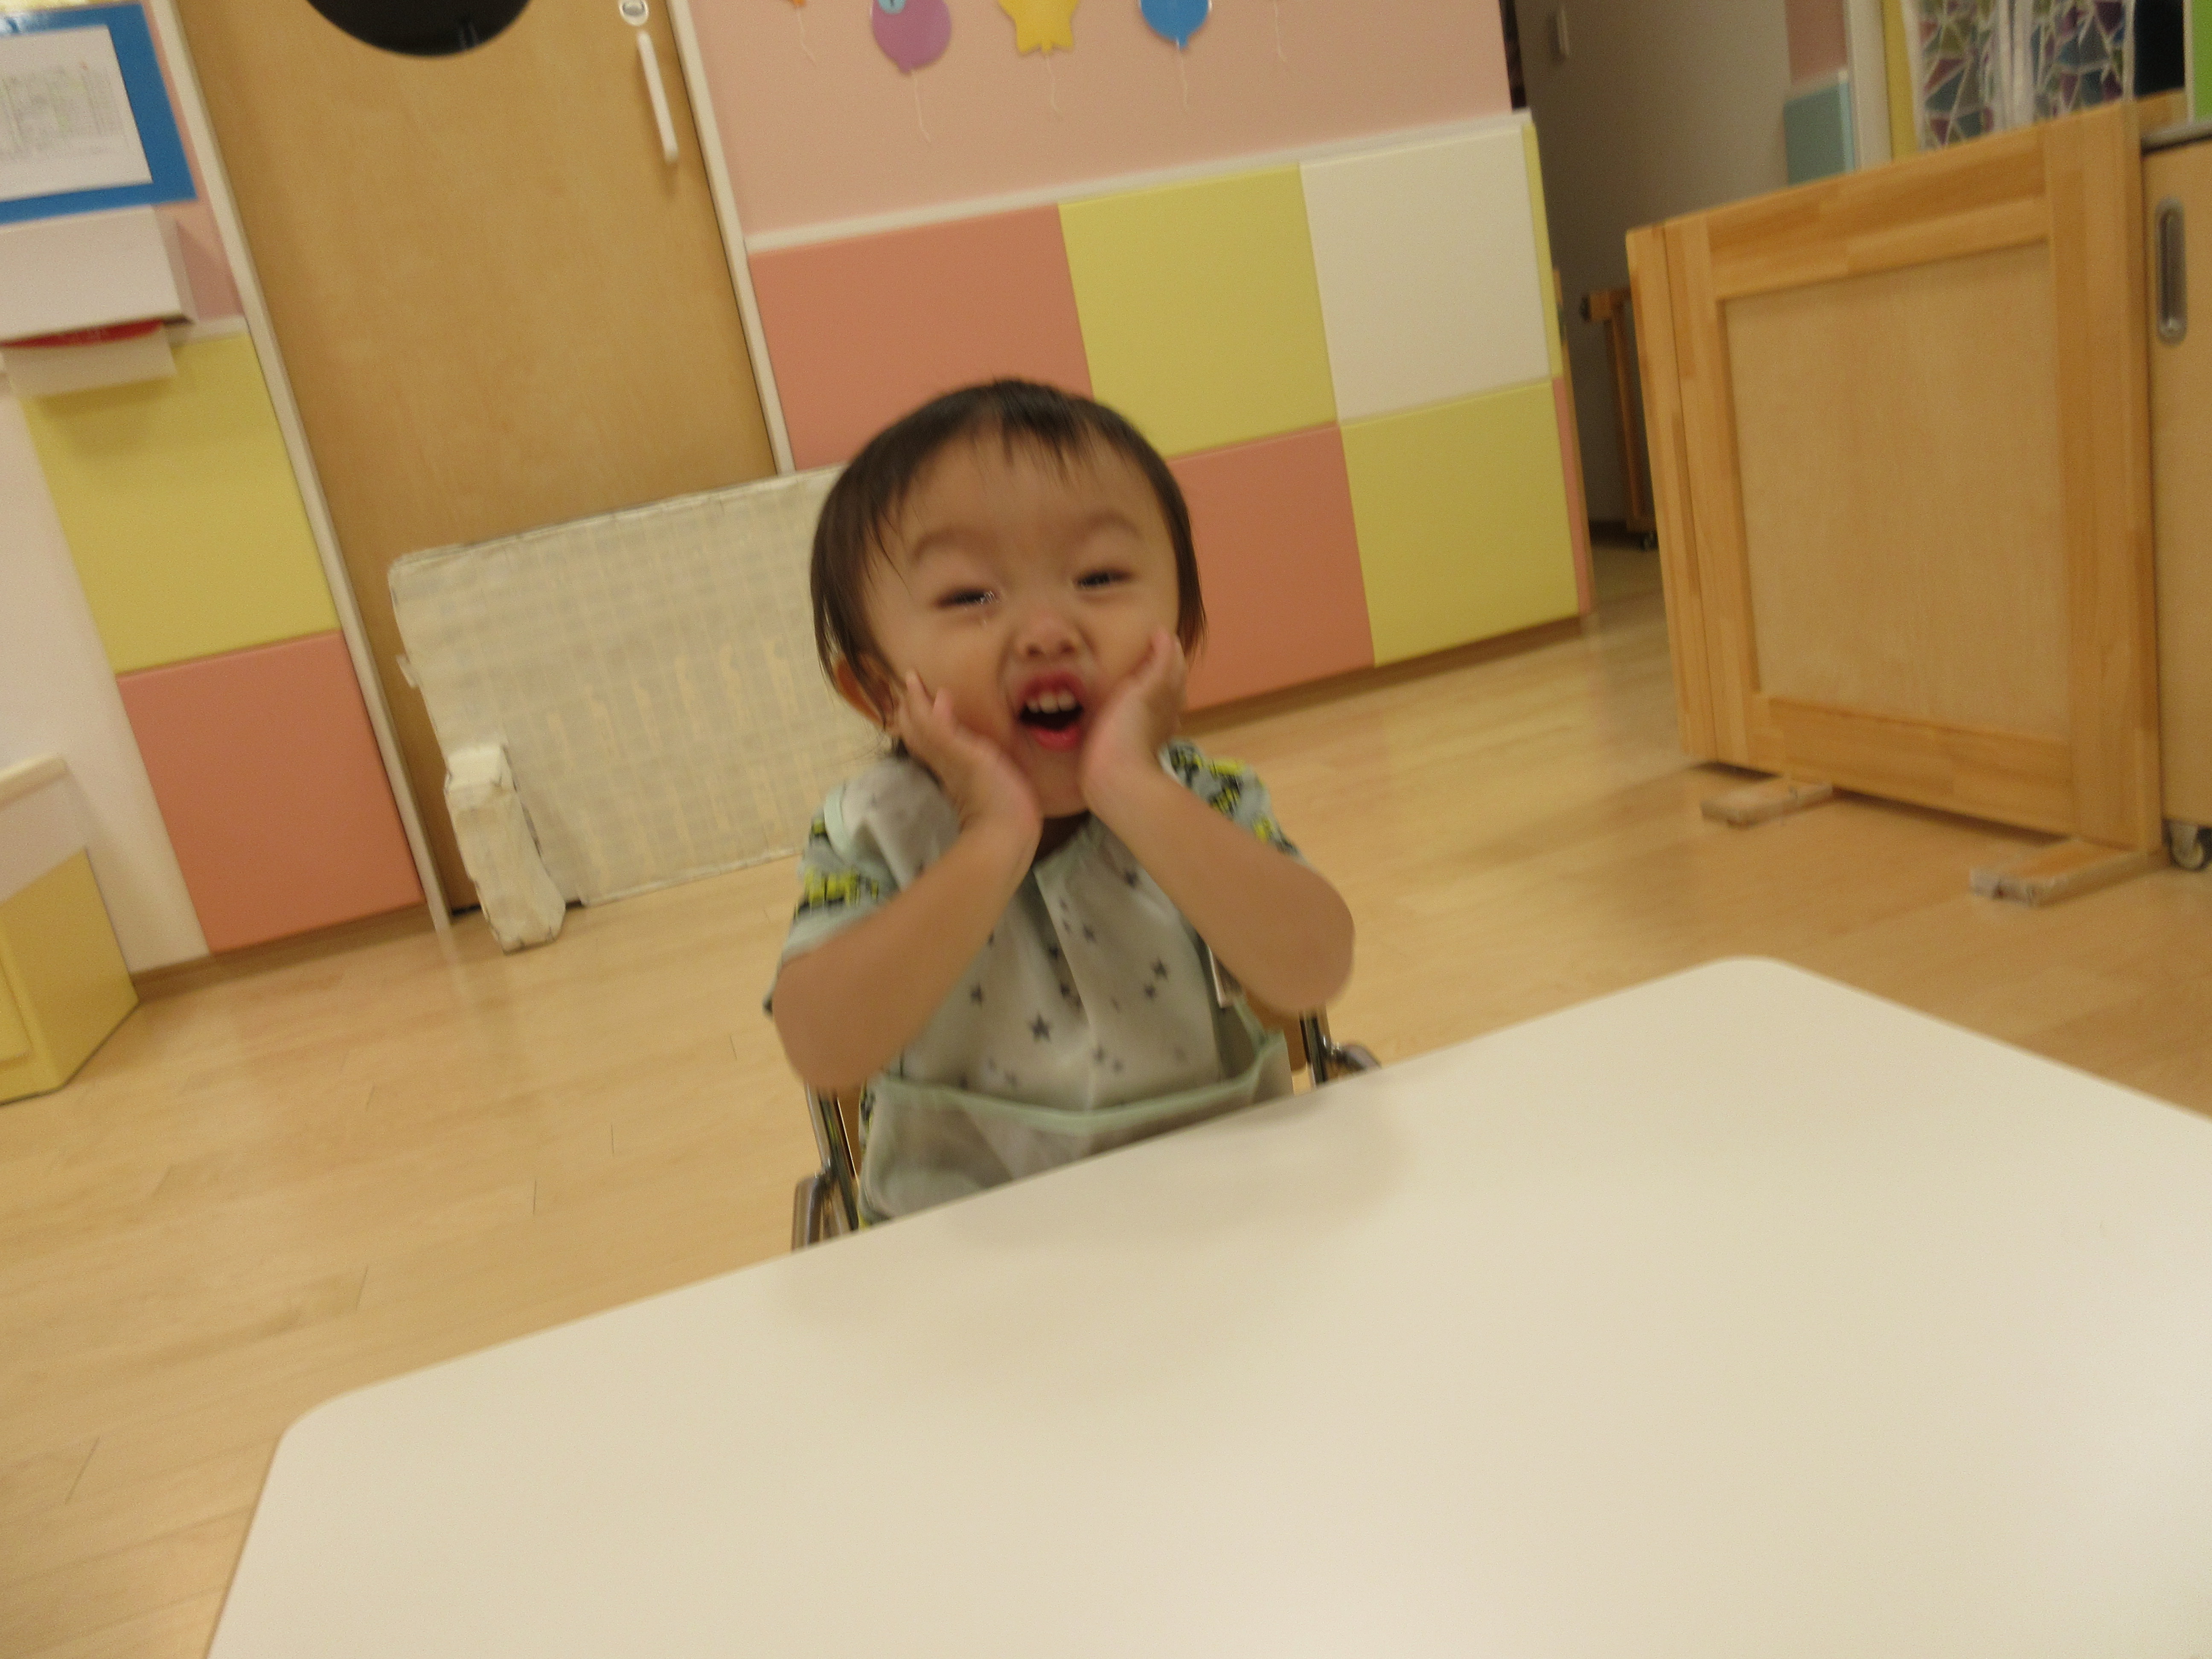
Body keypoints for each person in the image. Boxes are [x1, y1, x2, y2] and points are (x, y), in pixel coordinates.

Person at [768, 380, 1356, 1222]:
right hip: (972, 1245)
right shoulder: (873, 831)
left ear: (1180, 638)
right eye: (970, 596)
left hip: (1229, 1208)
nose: (1049, 631)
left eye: (1100, 576)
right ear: (879, 691)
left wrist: (1132, 789)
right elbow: (824, 1046)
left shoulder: (1200, 796)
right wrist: (991, 838)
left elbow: (1315, 968)